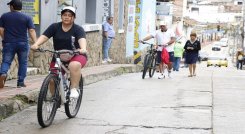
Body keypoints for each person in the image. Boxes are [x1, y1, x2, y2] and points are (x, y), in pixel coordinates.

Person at [31, 6, 87, 98]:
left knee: (74, 65)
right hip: (58, 56)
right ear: (61, 16)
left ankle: (73, 89)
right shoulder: (55, 27)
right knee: (52, 79)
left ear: (74, 18)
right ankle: (55, 98)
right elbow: (45, 36)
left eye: (70, 15)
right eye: (64, 15)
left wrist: (83, 48)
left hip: (76, 55)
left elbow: (82, 39)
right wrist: (36, 44)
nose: (67, 17)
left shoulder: (78, 29)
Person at [0, 0, 37, 88]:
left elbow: (1, 29)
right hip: (23, 43)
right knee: (23, 62)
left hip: (9, 43)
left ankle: (3, 73)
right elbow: (31, 30)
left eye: (10, 6)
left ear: (12, 6)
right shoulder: (27, 17)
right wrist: (36, 42)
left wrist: (4, 38)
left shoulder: (4, 16)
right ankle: (20, 82)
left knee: (6, 61)